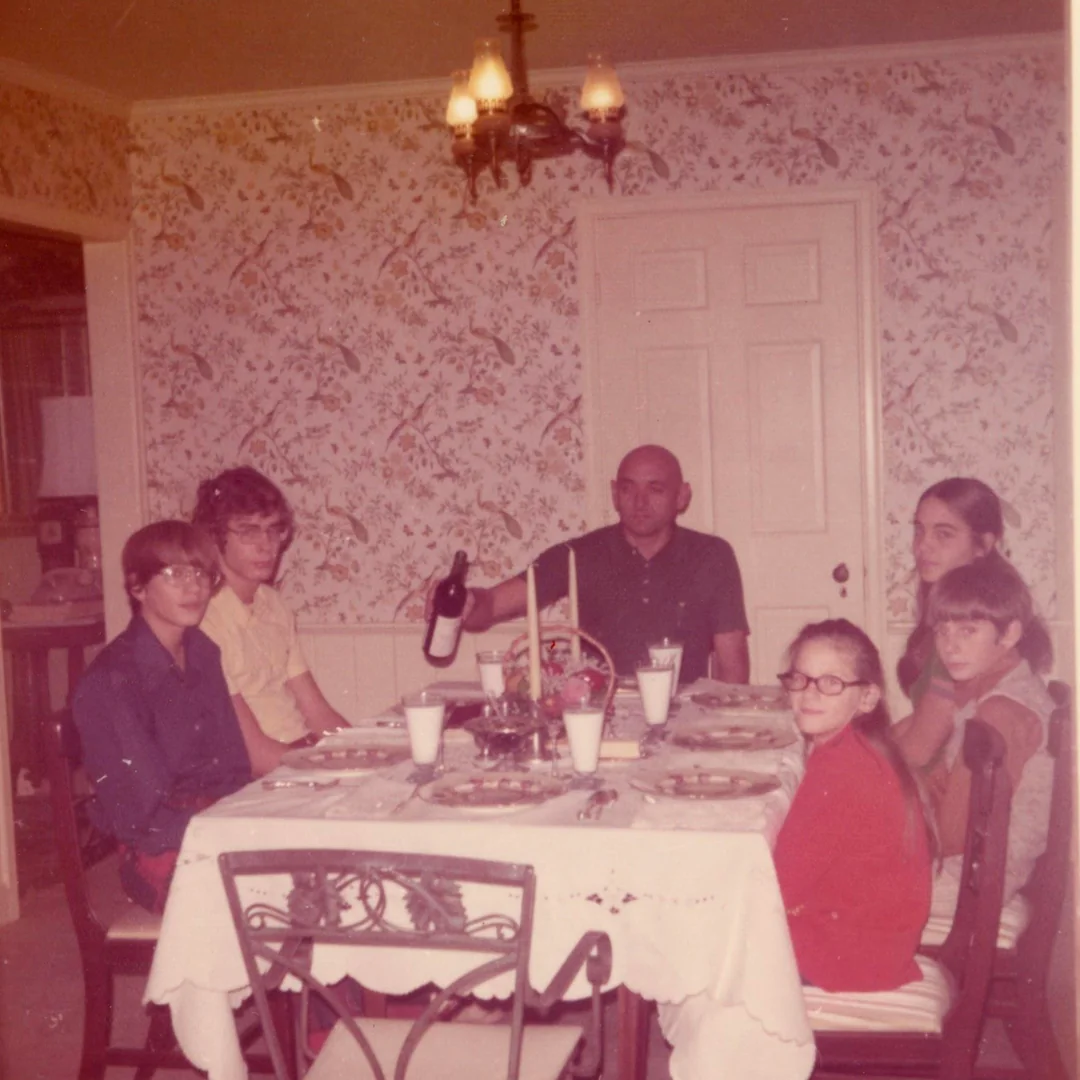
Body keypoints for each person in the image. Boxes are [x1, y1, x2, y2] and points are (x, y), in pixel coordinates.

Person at [72, 521, 251, 912]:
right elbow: (143, 818)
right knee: (293, 894)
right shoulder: (112, 681)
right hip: (160, 852)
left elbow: (235, 763)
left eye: (201, 573)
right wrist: (233, 832)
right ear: (137, 587)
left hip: (216, 824)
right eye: (175, 574)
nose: (195, 587)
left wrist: (250, 817)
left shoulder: (203, 651)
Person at [459, 445, 750, 684]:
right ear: (614, 494)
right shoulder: (579, 554)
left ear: (682, 496)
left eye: (655, 489)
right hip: (599, 713)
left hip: (684, 717)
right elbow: (492, 605)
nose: (640, 501)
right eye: (628, 489)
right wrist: (465, 603)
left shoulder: (712, 557)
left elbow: (732, 663)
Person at [773, 619, 932, 991]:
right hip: (869, 938)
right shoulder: (852, 748)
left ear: (867, 699)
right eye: (800, 679)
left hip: (851, 955)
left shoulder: (844, 770)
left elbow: (780, 886)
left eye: (831, 683)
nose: (810, 695)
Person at [192, 466, 349, 776]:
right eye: (248, 531)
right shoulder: (204, 619)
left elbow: (318, 714)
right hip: (255, 776)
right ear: (214, 536)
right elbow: (254, 754)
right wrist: (332, 767)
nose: (266, 545)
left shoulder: (274, 605)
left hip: (298, 755)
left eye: (274, 529)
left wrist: (374, 753)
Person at [923, 559, 1054, 918]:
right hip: (975, 866)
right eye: (943, 631)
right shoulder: (990, 688)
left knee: (834, 884)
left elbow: (953, 835)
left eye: (968, 631)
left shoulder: (1000, 713)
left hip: (975, 880)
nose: (950, 647)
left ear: (1009, 634)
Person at [894, 477, 1052, 769]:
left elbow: (920, 749)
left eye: (944, 534)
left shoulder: (970, 634)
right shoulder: (951, 614)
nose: (922, 546)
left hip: (945, 787)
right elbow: (922, 717)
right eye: (919, 530)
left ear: (983, 544)